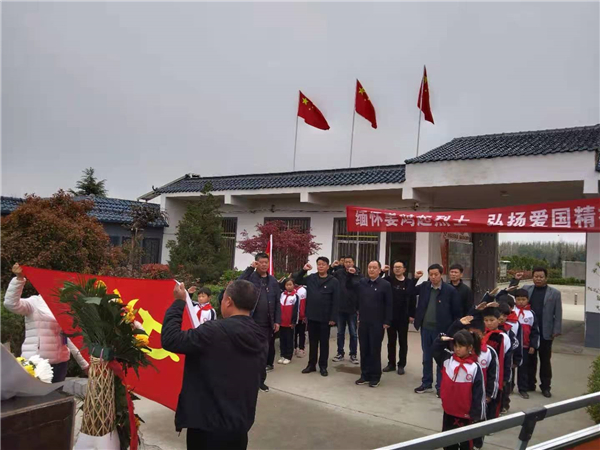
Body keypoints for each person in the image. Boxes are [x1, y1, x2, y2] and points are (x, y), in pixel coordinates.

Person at [162, 280, 264, 450]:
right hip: (239, 426)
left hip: (208, 426)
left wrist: (179, 302)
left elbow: (171, 339)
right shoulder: (259, 334)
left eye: (223, 298)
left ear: (228, 301)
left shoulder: (214, 331)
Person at [5, 263, 89, 382]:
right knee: (36, 394)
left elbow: (71, 338)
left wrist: (84, 364)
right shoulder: (34, 302)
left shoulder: (66, 307)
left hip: (60, 364)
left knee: (57, 393)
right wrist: (19, 279)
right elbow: (11, 304)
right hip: (36, 363)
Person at [432, 330, 486, 450]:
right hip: (449, 411)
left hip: (466, 415)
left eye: (461, 346)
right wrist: (441, 339)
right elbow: (435, 350)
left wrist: (477, 416)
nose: (457, 349)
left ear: (470, 348)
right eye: (455, 345)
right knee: (448, 443)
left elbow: (479, 394)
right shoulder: (447, 360)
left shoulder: (474, 368)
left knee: (466, 444)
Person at [413, 264, 462, 396]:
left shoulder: (450, 290)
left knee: (441, 358)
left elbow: (456, 311)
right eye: (431, 275)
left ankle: (440, 386)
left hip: (441, 330)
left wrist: (453, 330)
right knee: (426, 357)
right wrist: (415, 278)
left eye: (436, 274)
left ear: (441, 274)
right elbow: (409, 291)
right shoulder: (424, 287)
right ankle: (426, 383)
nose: (433, 277)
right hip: (426, 328)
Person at [238, 253, 281, 392]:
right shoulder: (251, 277)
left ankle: (260, 381)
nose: (263, 265)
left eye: (266, 262)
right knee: (248, 352)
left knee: (263, 353)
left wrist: (277, 321)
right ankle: (247, 379)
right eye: (260, 262)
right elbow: (238, 284)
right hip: (251, 322)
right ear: (256, 263)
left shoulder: (272, 281)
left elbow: (277, 302)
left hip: (267, 324)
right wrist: (250, 268)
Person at [347, 261, 393, 387]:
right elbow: (349, 286)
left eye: (374, 268)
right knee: (364, 349)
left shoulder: (385, 285)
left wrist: (387, 321)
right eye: (369, 267)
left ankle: (375, 376)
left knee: (374, 349)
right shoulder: (363, 283)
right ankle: (365, 374)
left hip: (378, 322)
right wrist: (350, 275)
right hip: (363, 321)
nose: (371, 270)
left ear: (379, 270)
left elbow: (389, 304)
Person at [294, 257, 340, 377]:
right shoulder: (312, 278)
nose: (321, 266)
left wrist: (333, 318)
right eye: (319, 264)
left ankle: (323, 366)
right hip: (312, 316)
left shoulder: (333, 281)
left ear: (328, 266)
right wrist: (304, 270)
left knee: (324, 343)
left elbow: (336, 301)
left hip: (325, 318)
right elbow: (297, 280)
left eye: (323, 264)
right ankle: (311, 365)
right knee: (313, 342)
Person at [522, 267, 562, 398]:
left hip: (546, 332)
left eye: (541, 277)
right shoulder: (527, 289)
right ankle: (530, 384)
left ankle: (545, 387)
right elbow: (514, 295)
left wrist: (556, 330)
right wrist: (515, 280)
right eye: (536, 276)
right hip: (530, 332)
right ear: (532, 277)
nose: (538, 279)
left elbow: (558, 313)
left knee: (545, 361)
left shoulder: (554, 293)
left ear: (546, 278)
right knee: (530, 359)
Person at [381, 261, 421, 375]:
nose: (397, 269)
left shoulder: (408, 282)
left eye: (399, 267)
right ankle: (391, 363)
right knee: (391, 341)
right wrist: (382, 272)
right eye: (395, 267)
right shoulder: (389, 280)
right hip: (391, 316)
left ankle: (401, 364)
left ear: (404, 269)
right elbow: (377, 281)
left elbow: (412, 298)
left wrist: (412, 314)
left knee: (403, 341)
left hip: (403, 316)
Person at [481, 306, 512, 421]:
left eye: (492, 320)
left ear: (499, 320)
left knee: (494, 400)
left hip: (497, 375)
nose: (488, 323)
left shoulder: (503, 337)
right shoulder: (481, 335)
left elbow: (507, 358)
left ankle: (492, 422)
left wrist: (505, 378)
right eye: (486, 320)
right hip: (484, 371)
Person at [331, 256, 360, 365]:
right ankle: (340, 353)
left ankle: (353, 354)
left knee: (353, 333)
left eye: (350, 262)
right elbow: (328, 277)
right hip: (340, 308)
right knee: (340, 333)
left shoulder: (358, 273)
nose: (348, 264)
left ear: (353, 262)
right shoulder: (339, 273)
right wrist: (331, 267)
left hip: (352, 309)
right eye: (346, 262)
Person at [513, 289, 540, 399]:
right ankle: (509, 387)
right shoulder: (512, 311)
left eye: (523, 299)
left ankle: (523, 388)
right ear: (515, 300)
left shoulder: (531, 314)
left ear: (527, 300)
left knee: (523, 368)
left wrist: (533, 345)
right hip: (513, 346)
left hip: (525, 346)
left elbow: (535, 331)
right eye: (518, 299)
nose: (521, 302)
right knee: (510, 366)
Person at [278, 278, 300, 365]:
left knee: (289, 340)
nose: (288, 286)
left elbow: (296, 311)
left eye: (290, 284)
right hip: (281, 322)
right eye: (287, 285)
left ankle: (288, 356)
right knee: (282, 339)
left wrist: (294, 322)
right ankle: (282, 355)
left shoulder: (295, 296)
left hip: (289, 323)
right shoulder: (282, 295)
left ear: (294, 285)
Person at [294, 284, 308, 358]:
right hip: (294, 317)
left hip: (302, 317)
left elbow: (306, 303)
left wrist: (305, 315)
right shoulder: (291, 290)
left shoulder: (304, 290)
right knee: (294, 333)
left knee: (301, 333)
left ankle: (301, 348)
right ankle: (294, 347)